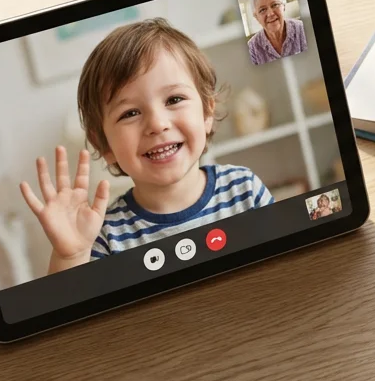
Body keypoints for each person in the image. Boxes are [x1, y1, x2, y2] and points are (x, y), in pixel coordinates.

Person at [21, 19, 273, 272]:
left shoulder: (244, 189)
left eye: (174, 99)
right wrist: (70, 256)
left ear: (207, 112)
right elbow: (73, 309)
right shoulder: (105, 235)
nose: (157, 123)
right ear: (104, 146)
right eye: (130, 113)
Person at [246, 0, 307, 65]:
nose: (270, 13)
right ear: (256, 17)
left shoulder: (303, 29)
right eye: (262, 10)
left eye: (275, 5)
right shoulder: (252, 48)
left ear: (284, 6)